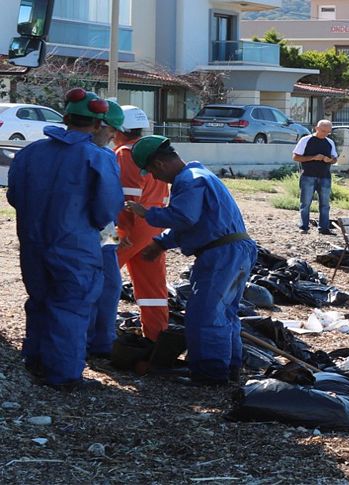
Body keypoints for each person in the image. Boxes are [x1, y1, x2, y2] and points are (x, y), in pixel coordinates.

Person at [7, 88, 123, 391]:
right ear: (98, 125)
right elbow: (107, 210)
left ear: (66, 118)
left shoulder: (30, 152)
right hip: (75, 246)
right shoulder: (98, 157)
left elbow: (14, 196)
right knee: (71, 307)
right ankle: (64, 376)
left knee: (40, 301)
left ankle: (35, 361)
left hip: (33, 243)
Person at [125, 136, 257, 386]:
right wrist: (161, 243)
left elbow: (184, 218)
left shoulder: (188, 181)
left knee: (204, 314)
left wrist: (147, 213)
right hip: (237, 250)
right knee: (226, 313)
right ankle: (230, 368)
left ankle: (210, 374)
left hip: (221, 255)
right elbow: (197, 223)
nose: (154, 177)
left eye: (152, 171)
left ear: (159, 164)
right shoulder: (201, 175)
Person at [113, 105, 170, 342]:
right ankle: (157, 339)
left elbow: (127, 199)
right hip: (154, 229)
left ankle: (92, 337)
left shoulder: (126, 153)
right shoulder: (154, 152)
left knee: (99, 276)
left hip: (129, 228)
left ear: (119, 129)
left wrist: (114, 235)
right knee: (153, 289)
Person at [86, 100, 126, 359]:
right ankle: (98, 342)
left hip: (102, 230)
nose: (114, 135)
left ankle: (95, 341)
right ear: (97, 125)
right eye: (112, 129)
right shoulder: (103, 156)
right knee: (107, 283)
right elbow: (111, 204)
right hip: (98, 229)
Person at [292, 120, 338, 235]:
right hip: (308, 175)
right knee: (305, 203)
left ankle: (324, 228)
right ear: (316, 128)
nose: (325, 134)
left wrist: (330, 160)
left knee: (325, 204)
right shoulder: (305, 140)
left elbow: (335, 159)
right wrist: (313, 158)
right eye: (323, 131)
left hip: (325, 176)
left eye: (328, 132)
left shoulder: (330, 142)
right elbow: (296, 157)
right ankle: (304, 226)